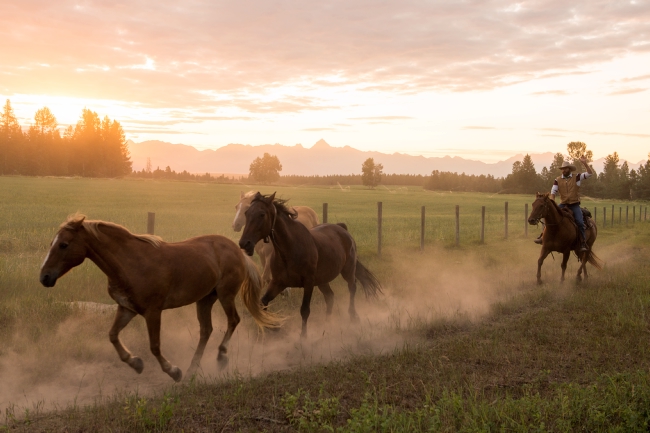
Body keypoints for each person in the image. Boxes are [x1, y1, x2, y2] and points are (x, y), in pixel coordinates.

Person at [534, 156, 593, 252]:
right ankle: (542, 237)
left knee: (579, 221)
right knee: (550, 218)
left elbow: (590, 174)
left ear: (569, 169)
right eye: (562, 169)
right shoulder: (557, 180)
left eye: (565, 168)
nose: (563, 170)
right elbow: (553, 192)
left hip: (574, 205)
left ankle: (582, 242)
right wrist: (553, 203)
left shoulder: (577, 177)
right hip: (563, 204)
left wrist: (584, 163)